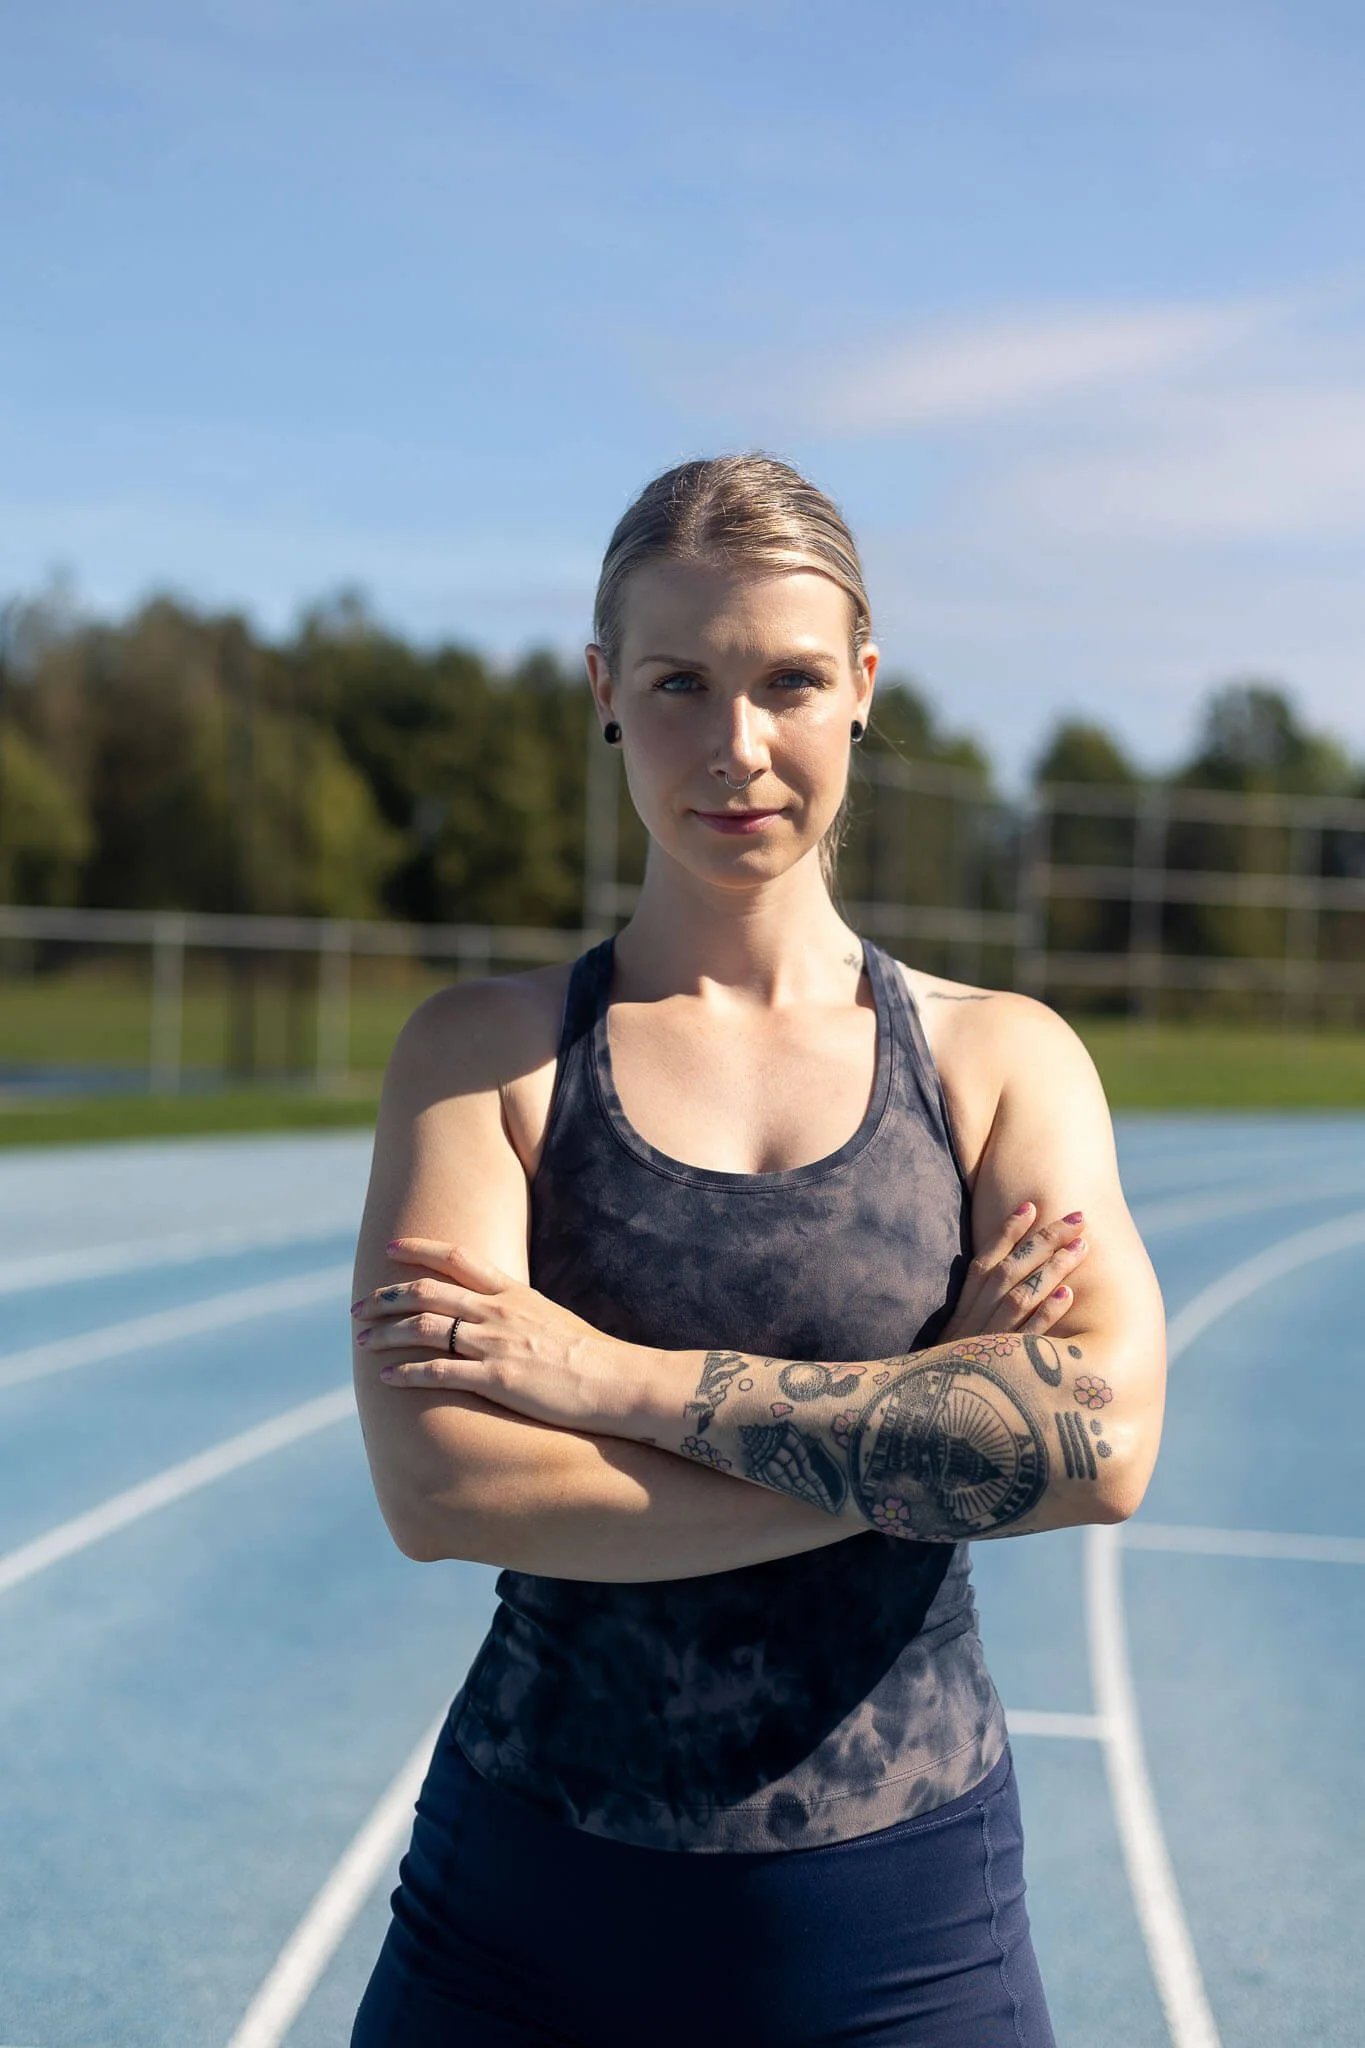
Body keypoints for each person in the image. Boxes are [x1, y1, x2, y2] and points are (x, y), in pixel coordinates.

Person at [347, 454, 1167, 2045]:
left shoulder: (1001, 1061)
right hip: (522, 1922)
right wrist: (923, 1412)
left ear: (862, 687)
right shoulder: (485, 1059)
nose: (736, 746)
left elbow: (1100, 1445)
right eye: (678, 682)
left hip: (901, 1929)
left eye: (788, 681)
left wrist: (609, 1380)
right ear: (604, 691)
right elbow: (444, 1489)